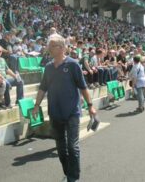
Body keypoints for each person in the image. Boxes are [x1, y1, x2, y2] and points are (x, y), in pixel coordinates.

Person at [32, 34, 96, 182]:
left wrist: (90, 106)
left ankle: (73, 178)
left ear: (61, 48)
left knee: (72, 147)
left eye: (51, 46)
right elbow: (42, 88)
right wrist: (36, 106)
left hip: (72, 112)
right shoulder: (48, 67)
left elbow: (83, 87)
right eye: (49, 45)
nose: (48, 48)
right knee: (61, 149)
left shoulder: (73, 65)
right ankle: (68, 173)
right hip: (55, 114)